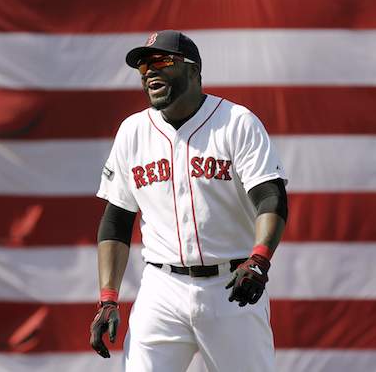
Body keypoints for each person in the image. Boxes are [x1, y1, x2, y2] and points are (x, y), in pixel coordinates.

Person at [89, 30, 288, 372]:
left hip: (232, 284)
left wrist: (259, 260)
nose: (150, 71)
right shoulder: (133, 132)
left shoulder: (236, 123)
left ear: (194, 71)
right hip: (161, 288)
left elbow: (270, 197)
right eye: (143, 67)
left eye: (162, 62)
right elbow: (116, 221)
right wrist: (108, 298)